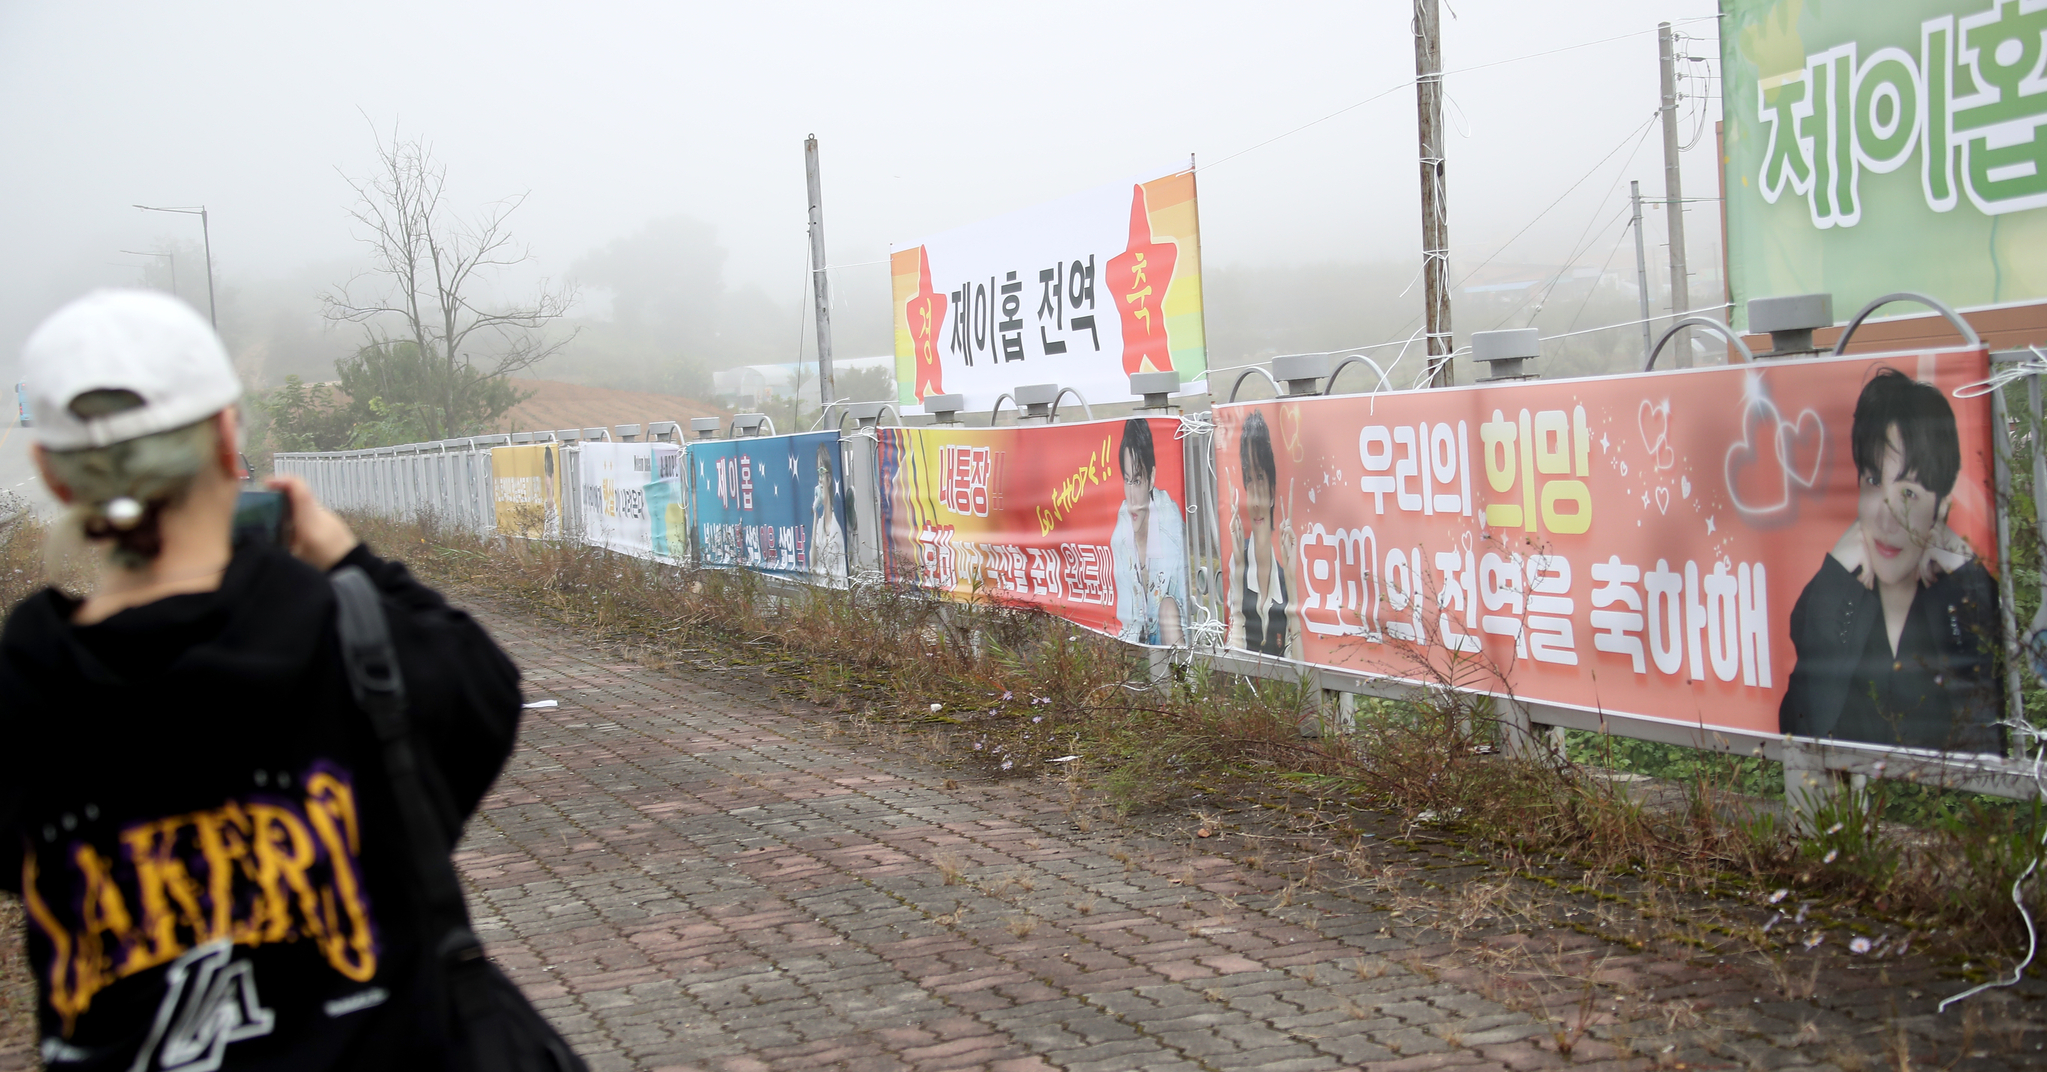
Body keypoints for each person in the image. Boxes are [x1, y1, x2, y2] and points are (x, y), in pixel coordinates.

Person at [0, 291, 530, 1069]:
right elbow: (484, 691)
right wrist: (352, 560)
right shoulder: (355, 644)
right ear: (227, 438)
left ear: (51, 471)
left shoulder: (23, 697)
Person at [1779, 368, 2002, 753]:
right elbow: (1798, 729)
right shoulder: (1830, 599)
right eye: (1872, 482)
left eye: (1909, 493)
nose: (1884, 517)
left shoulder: (1965, 600)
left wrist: (1967, 580)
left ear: (1942, 507)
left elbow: (1987, 737)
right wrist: (1836, 580)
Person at [1227, 409, 1301, 660]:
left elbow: (1300, 665)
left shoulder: (1288, 570)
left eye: (1260, 477)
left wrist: (1291, 580)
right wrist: (1238, 566)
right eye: (1249, 479)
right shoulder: (1240, 559)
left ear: (1272, 488)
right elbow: (1234, 647)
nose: (1255, 496)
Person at [1110, 418, 1187, 645]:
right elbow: (1128, 625)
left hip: (1174, 640)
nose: (1132, 497)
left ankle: (1181, 682)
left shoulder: (1170, 527)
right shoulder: (1121, 537)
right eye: (1127, 480)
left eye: (1137, 480)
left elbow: (1183, 612)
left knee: (1168, 608)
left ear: (1151, 478)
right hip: (1141, 645)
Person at [809, 442, 847, 585]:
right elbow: (812, 566)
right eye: (817, 472)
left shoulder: (838, 527)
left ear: (829, 479)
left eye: (821, 472)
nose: (819, 479)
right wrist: (815, 514)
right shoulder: (819, 524)